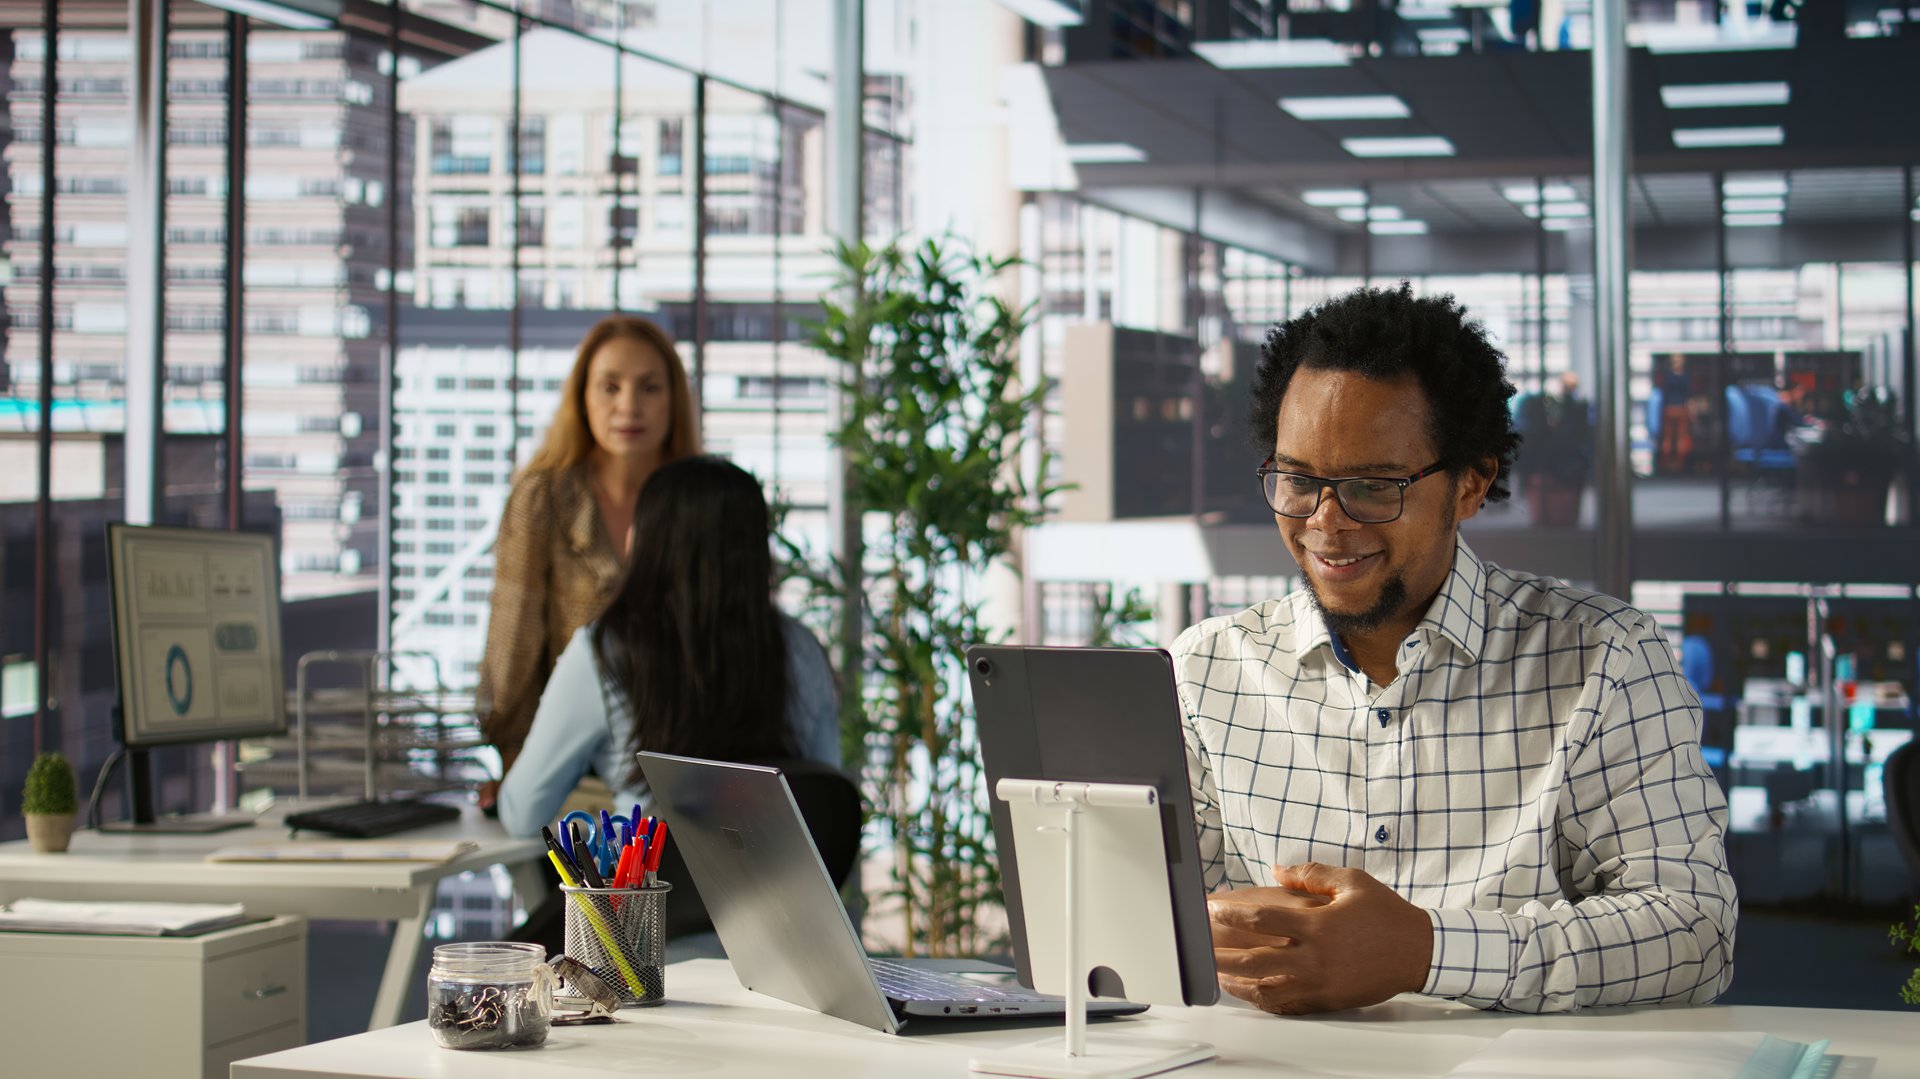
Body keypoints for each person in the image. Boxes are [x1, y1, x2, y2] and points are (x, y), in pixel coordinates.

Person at [1178, 284, 1735, 1015]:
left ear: (1472, 481)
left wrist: (1424, 950)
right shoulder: (1206, 669)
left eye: (1373, 486)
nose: (1326, 522)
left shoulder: (1607, 660)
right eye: (1298, 480)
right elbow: (1170, 927)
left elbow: (1695, 932)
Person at [496, 455, 840, 837]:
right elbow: (825, 802)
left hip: (653, 895)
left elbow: (523, 813)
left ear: (646, 540)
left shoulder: (604, 651)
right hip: (783, 891)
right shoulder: (804, 649)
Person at [477, 315, 699, 797]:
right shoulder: (544, 497)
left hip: (687, 765)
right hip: (571, 767)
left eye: (650, 388)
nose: (629, 406)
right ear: (582, 396)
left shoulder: (699, 500)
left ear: (674, 400)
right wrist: (515, 758)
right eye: (610, 387)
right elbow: (513, 637)